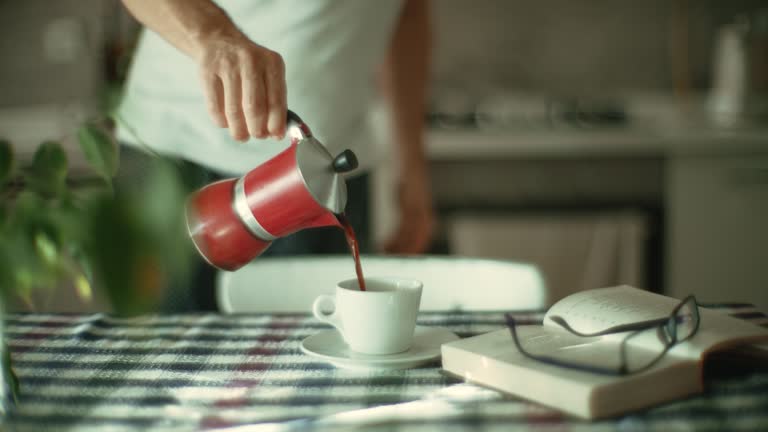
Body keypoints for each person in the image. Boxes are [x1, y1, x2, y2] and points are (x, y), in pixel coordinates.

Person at [116, 0, 435, 310]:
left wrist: (411, 166)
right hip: (178, 149)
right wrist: (215, 35)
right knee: (165, 348)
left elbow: (406, 15)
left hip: (327, 172)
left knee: (318, 341)